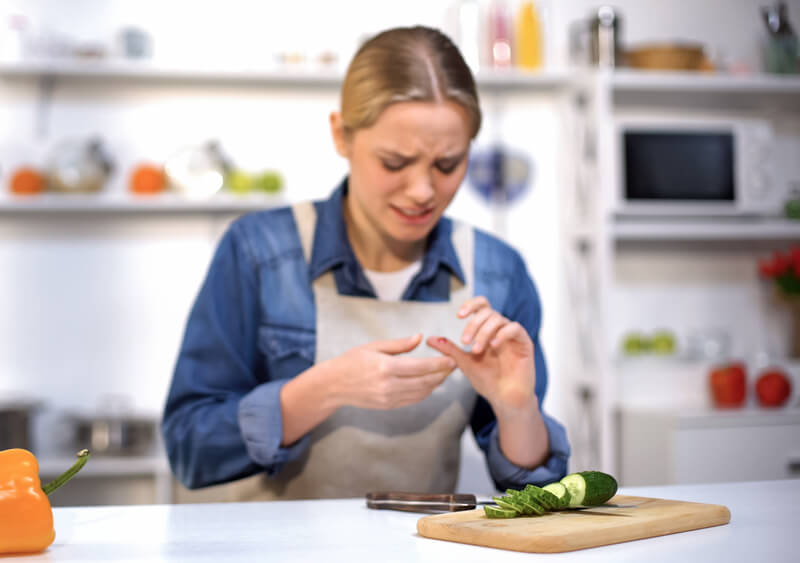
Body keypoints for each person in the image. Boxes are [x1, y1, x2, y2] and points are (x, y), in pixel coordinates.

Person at [162, 25, 570, 500]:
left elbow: (536, 489)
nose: (422, 191)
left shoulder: (498, 273)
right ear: (341, 135)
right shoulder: (260, 252)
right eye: (395, 162)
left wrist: (517, 409)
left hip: (418, 538)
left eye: (447, 164)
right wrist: (322, 391)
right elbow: (189, 448)